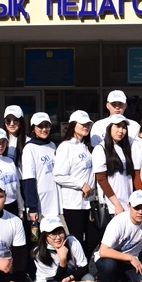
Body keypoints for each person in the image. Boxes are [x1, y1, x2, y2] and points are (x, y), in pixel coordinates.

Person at [95, 190, 142, 282]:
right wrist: (130, 258)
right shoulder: (118, 222)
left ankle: (123, 280)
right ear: (129, 206)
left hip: (130, 262)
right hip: (110, 258)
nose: (140, 212)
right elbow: (103, 251)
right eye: (136, 208)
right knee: (109, 266)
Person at [53, 110, 96, 257]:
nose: (86, 126)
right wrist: (81, 184)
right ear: (73, 125)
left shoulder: (87, 145)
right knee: (76, 239)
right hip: (73, 203)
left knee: (93, 238)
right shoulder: (65, 147)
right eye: (82, 124)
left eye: (88, 124)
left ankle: (85, 264)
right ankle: (77, 267)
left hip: (89, 202)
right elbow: (58, 175)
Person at [32, 215, 94, 282]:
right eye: (53, 234)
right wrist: (63, 259)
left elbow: (84, 267)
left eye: (60, 232)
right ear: (45, 236)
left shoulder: (72, 241)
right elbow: (57, 279)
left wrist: (69, 278)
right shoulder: (39, 253)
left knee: (89, 279)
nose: (58, 237)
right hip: (50, 281)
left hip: (71, 276)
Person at [92, 114, 135, 217]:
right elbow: (101, 179)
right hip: (113, 207)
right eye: (117, 126)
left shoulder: (124, 148)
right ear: (109, 128)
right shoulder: (100, 149)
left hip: (128, 204)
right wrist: (116, 204)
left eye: (124, 127)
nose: (121, 131)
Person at [20, 112, 60, 220]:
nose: (44, 129)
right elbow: (29, 179)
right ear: (33, 129)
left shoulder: (52, 145)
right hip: (40, 201)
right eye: (40, 126)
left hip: (55, 199)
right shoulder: (29, 148)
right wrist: (32, 207)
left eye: (47, 126)